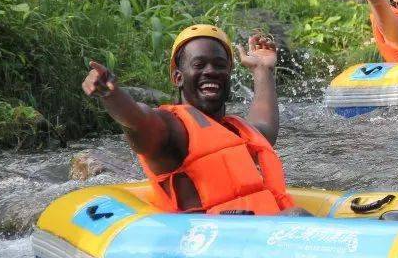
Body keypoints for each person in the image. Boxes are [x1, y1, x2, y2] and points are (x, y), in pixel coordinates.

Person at [81, 24, 299, 216]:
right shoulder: (171, 129)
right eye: (199, 65)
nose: (211, 71)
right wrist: (111, 94)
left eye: (220, 65)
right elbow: (137, 120)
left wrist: (262, 69)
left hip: (261, 238)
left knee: (295, 215)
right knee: (296, 216)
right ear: (178, 77)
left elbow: (265, 127)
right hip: (209, 247)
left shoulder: (235, 131)